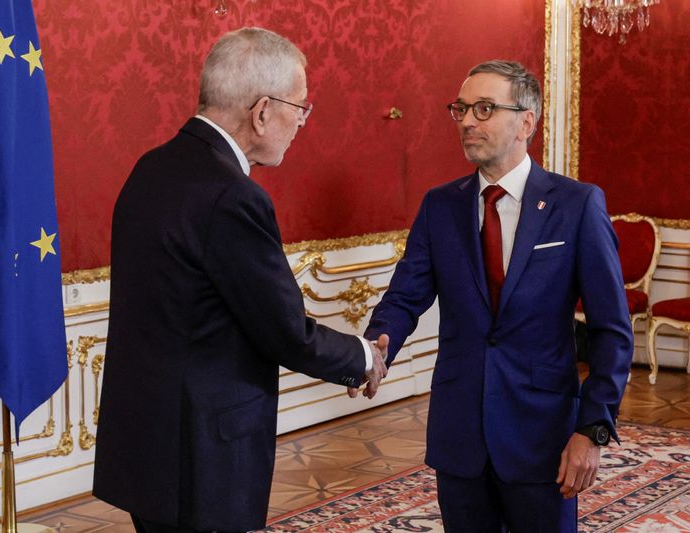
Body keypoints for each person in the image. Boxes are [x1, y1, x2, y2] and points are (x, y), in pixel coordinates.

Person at [92, 27, 388, 533]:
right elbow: (285, 332)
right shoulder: (233, 196)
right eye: (301, 107)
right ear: (263, 110)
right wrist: (363, 357)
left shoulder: (152, 167)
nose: (301, 122)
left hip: (147, 439)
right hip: (202, 451)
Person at [364, 60, 632, 532]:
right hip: (459, 430)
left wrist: (592, 430)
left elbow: (612, 330)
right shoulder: (439, 206)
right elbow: (406, 295)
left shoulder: (577, 205)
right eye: (462, 109)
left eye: (484, 109)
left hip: (542, 434)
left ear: (526, 121)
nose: (468, 121)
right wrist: (376, 345)